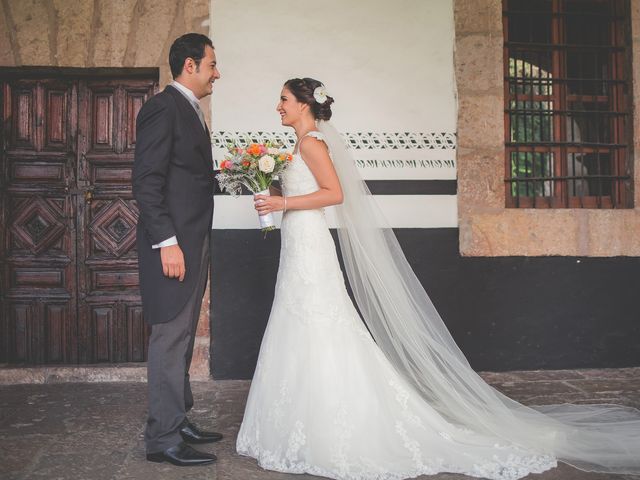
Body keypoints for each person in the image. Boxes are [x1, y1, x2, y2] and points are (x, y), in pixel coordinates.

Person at [236, 77, 640, 479]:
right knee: (302, 322)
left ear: (304, 105)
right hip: (298, 243)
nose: (279, 106)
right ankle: (301, 420)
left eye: (284, 99)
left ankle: (330, 421)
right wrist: (270, 190)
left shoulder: (311, 142)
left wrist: (282, 200)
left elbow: (334, 193)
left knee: (321, 323)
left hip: (310, 246)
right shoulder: (301, 143)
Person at [133, 33, 222, 467]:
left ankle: (178, 418)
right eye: (212, 65)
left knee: (183, 337)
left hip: (194, 239)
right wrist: (166, 242)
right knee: (170, 337)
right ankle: (162, 439)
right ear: (191, 66)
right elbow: (146, 182)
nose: (216, 73)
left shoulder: (190, 110)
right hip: (173, 245)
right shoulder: (162, 107)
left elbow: (187, 177)